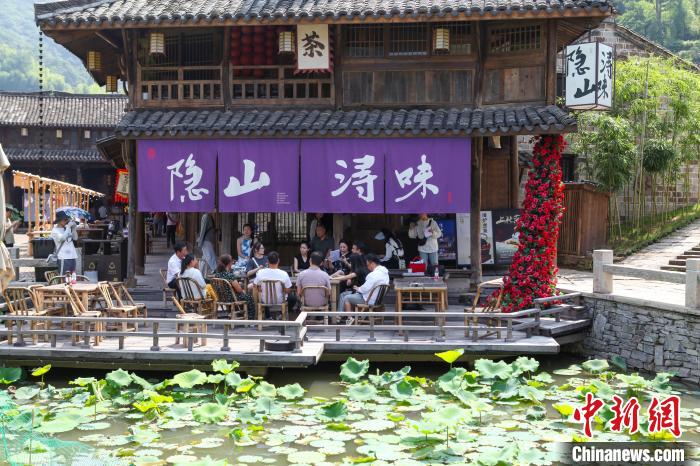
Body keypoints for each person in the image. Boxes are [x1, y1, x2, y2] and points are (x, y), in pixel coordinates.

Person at [342, 254, 390, 323]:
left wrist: (358, 288)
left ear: (372, 264)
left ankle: (350, 319)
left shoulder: (373, 274)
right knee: (354, 295)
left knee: (347, 298)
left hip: (369, 300)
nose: (367, 267)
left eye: (368, 265)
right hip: (378, 300)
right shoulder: (385, 273)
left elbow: (365, 289)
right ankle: (358, 317)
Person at [213, 254, 255, 319]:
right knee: (249, 297)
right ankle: (250, 318)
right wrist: (241, 286)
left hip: (221, 298)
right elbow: (239, 290)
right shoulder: (229, 275)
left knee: (243, 295)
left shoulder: (217, 275)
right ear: (229, 263)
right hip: (231, 298)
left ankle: (239, 315)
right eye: (232, 261)